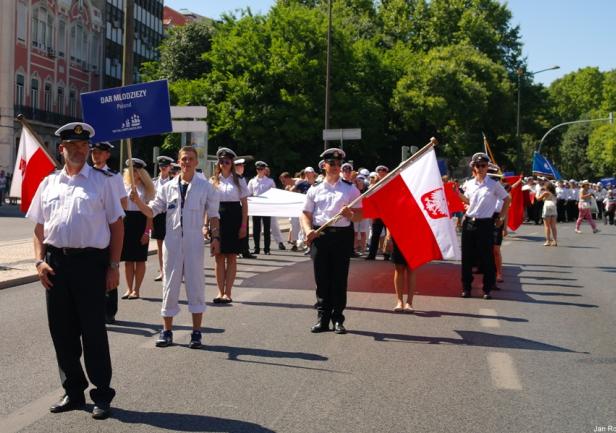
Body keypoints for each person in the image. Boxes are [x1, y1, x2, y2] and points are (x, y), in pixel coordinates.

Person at [26, 122, 124, 419]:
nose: (79, 150)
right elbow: (39, 228)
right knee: (61, 331)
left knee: (93, 331)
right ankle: (73, 389)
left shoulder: (103, 182)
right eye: (72, 146)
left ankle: (102, 393)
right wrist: (39, 261)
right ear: (62, 149)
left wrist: (113, 266)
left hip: (91, 264)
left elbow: (117, 227)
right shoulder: (49, 183)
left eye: (83, 145)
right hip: (56, 264)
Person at [131, 146, 220, 348]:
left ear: (196, 162)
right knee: (169, 286)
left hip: (194, 243)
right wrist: (138, 202)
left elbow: (214, 215)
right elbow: (152, 211)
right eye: (183, 159)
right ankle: (167, 331)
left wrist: (216, 237)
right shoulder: (167, 187)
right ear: (178, 162)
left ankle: (196, 332)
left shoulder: (205, 187)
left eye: (190, 159)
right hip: (172, 243)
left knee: (196, 285)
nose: (186, 162)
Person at [301, 148, 362, 334]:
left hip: (342, 236)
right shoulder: (315, 189)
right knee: (322, 279)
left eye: (338, 164)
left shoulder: (350, 188)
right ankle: (323, 318)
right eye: (332, 163)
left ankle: (338, 319)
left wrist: (350, 214)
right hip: (321, 235)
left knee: (339, 279)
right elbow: (306, 214)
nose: (336, 166)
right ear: (324, 166)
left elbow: (360, 215)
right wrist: (308, 231)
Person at [459, 153, 510, 300]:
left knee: (487, 256)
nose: (481, 168)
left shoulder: (493, 184)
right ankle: (466, 288)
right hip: (469, 222)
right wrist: (457, 194)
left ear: (487, 167)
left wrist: (501, 217)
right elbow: (468, 201)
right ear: (474, 167)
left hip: (485, 223)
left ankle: (487, 288)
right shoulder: (468, 184)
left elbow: (507, 199)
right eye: (478, 166)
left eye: (483, 166)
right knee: (467, 257)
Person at [90, 141, 128, 324]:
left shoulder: (113, 176)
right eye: (93, 152)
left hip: (109, 225)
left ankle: (109, 310)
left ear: (107, 155)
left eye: (99, 152)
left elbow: (123, 202)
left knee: (110, 267)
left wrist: (117, 222)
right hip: (93, 227)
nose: (95, 155)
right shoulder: (87, 174)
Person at [210, 148, 249, 303]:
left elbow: (244, 205)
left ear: (232, 163)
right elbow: (208, 205)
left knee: (232, 256)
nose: (224, 164)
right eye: (221, 161)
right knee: (218, 256)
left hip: (234, 218)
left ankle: (228, 292)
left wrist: (244, 226)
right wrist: (206, 225)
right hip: (218, 218)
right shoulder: (213, 180)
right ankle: (220, 292)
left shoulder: (239, 180)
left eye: (227, 161)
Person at [120, 158, 155, 299]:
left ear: (141, 172)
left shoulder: (147, 189)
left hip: (141, 222)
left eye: (135, 171)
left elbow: (150, 214)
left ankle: (137, 289)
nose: (133, 173)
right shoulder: (124, 186)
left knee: (139, 259)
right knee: (128, 260)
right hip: (127, 222)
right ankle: (129, 288)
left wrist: (147, 232)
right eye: (131, 171)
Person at [151, 156, 175, 281]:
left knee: (172, 244)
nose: (163, 168)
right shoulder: (154, 182)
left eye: (166, 166)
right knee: (160, 245)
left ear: (170, 167)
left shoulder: (174, 181)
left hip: (171, 215)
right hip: (158, 216)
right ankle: (162, 271)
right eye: (161, 166)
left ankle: (172, 270)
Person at [247, 161, 275, 254]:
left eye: (261, 169)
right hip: (256, 207)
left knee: (267, 229)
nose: (260, 171)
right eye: (258, 169)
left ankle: (267, 249)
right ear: (256, 170)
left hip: (266, 207)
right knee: (256, 229)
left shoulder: (270, 181)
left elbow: (274, 193)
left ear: (264, 170)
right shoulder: (252, 181)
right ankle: (256, 248)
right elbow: (249, 194)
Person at [234, 158, 257, 259]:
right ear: (235, 167)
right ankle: (237, 250)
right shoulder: (234, 178)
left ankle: (245, 250)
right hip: (236, 207)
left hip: (242, 207)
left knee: (245, 229)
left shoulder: (241, 178)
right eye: (240, 166)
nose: (242, 168)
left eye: (243, 166)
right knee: (237, 230)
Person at [365, 165, 389, 260]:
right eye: (379, 171)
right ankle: (372, 254)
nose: (381, 172)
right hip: (377, 214)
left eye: (384, 171)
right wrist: (373, 184)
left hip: (388, 213)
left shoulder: (390, 182)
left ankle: (387, 254)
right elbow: (368, 196)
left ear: (386, 173)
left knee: (389, 235)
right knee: (375, 235)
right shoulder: (373, 184)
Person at [390, 237, 415, 313]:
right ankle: (399, 302)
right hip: (398, 235)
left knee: (411, 268)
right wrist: (388, 235)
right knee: (399, 268)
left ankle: (409, 302)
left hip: (415, 235)